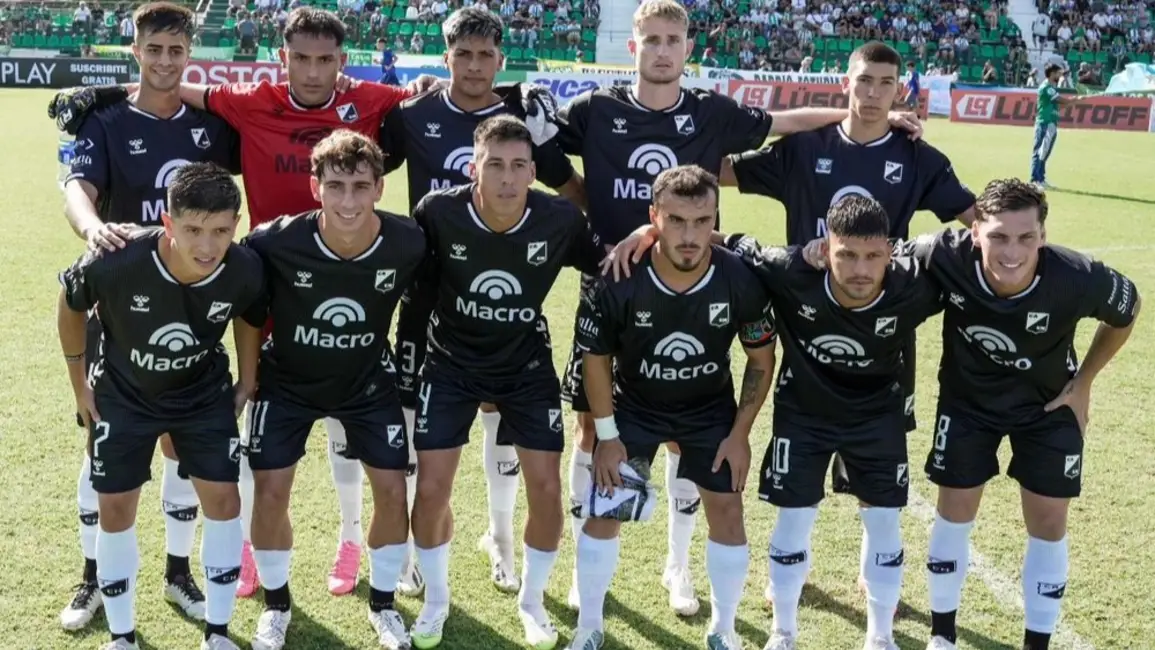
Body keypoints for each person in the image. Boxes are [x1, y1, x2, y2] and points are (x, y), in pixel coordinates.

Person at [48, 5, 438, 598]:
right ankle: (106, 574)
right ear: (282, 59)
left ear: (342, 61)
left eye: (325, 60)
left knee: (322, 422)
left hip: (310, 283)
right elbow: (136, 119)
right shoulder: (240, 103)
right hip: (176, 289)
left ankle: (334, 542)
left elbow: (432, 96)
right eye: (300, 59)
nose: (313, 71)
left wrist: (431, 84)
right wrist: (94, 216)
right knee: (123, 435)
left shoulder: (361, 100)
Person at [552, 0, 923, 614]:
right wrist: (587, 202)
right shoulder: (595, 109)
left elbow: (780, 122)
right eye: (652, 40)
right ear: (633, 46)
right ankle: (583, 566)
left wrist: (862, 113)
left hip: (696, 285)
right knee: (593, 429)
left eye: (673, 40)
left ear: (688, 48)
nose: (663, 51)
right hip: (612, 288)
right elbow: (539, 147)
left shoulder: (711, 111)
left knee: (686, 439)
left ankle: (677, 568)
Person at [720, 41, 975, 561]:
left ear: (899, 90)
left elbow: (978, 222)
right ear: (846, 82)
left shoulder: (917, 158)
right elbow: (721, 171)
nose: (874, 93)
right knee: (801, 457)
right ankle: (792, 565)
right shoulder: (804, 150)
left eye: (886, 83)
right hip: (808, 327)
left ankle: (869, 565)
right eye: (864, 81)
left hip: (883, 333)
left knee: (874, 467)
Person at [378, 5, 582, 596]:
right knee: (417, 424)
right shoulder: (413, 113)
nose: (473, 66)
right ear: (446, 57)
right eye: (462, 55)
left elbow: (569, 188)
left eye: (485, 55)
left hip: (503, 299)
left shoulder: (522, 116)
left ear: (500, 59)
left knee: (502, 419)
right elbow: (366, 167)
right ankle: (413, 550)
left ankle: (500, 537)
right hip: (427, 297)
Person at [892, 180, 1139, 650]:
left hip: (1048, 406)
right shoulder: (943, 254)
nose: (1012, 251)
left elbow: (1128, 310)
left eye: (1026, 237)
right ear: (975, 232)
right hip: (968, 403)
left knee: (1048, 521)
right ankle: (942, 637)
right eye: (999, 236)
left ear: (1042, 236)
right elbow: (879, 259)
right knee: (954, 510)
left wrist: (1084, 381)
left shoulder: (1077, 276)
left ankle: (1036, 644)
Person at [57, 1, 241, 631]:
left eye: (176, 50)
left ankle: (178, 572)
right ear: (135, 50)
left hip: (193, 302)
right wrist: (93, 229)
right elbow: (76, 187)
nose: (165, 61)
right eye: (153, 49)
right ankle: (93, 576)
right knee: (103, 436)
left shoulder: (210, 126)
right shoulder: (106, 119)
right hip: (120, 301)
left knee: (180, 441)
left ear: (190, 53)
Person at [407, 115, 604, 650]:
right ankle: (436, 601)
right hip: (450, 362)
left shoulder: (559, 218)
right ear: (474, 168)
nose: (507, 178)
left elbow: (609, 267)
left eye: (519, 166)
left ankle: (532, 602)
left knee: (546, 489)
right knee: (431, 488)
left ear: (533, 173)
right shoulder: (439, 211)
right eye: (495, 165)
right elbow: (413, 286)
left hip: (524, 366)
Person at [56, 162, 265, 650]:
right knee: (115, 507)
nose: (207, 246)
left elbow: (250, 313)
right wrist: (79, 386)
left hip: (201, 396)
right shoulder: (117, 258)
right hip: (124, 396)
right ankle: (122, 636)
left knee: (225, 501)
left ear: (236, 225)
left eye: (220, 231)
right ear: (168, 222)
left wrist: (248, 379)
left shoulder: (244, 267)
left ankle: (217, 634)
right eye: (192, 230)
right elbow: (70, 302)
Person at [570, 165, 776, 650]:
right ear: (653, 217)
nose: (689, 235)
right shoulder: (618, 276)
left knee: (727, 511)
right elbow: (595, 361)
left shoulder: (740, 278)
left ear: (715, 219)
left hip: (708, 410)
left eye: (702, 221)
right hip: (635, 407)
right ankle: (588, 627)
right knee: (607, 508)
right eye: (677, 220)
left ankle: (723, 630)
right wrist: (607, 436)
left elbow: (761, 360)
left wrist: (740, 434)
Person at [237, 130, 425, 650]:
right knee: (270, 492)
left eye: (361, 186)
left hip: (367, 382)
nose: (348, 201)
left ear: (380, 188)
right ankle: (276, 606)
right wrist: (248, 380)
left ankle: (383, 605)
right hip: (288, 382)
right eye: (336, 186)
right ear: (314, 186)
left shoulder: (409, 241)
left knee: (394, 492)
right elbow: (247, 312)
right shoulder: (273, 241)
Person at [1031, 62, 1082, 190]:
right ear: (1052, 73)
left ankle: (1041, 179)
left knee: (1045, 152)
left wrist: (1074, 101)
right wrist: (1075, 99)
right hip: (1045, 122)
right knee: (1039, 151)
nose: (1060, 76)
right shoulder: (1047, 87)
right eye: (1058, 73)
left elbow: (1059, 105)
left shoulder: (1051, 88)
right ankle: (1035, 180)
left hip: (1051, 122)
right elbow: (1061, 100)